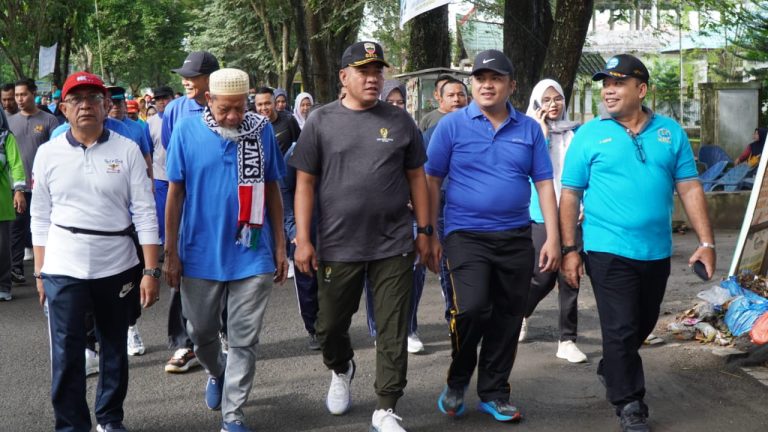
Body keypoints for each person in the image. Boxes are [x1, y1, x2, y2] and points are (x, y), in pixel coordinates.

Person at [559, 54, 716, 432]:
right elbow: (569, 194)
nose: (608, 91)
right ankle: (630, 403)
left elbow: (690, 187)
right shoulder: (589, 135)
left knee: (643, 322)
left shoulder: (670, 132)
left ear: (640, 89)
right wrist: (569, 250)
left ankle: (612, 366)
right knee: (621, 327)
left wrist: (707, 242)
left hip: (656, 251)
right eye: (605, 84)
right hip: (606, 248)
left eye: (617, 83)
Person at [290, 41, 431, 432]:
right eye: (364, 71)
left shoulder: (400, 121)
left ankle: (386, 406)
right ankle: (341, 367)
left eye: (378, 71)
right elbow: (304, 182)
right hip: (338, 244)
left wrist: (426, 230)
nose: (373, 79)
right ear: (343, 77)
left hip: (394, 244)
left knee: (392, 327)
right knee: (330, 326)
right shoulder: (320, 121)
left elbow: (417, 177)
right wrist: (303, 238)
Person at [426, 49, 560, 423]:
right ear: (472, 83)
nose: (487, 84)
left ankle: (495, 391)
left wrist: (552, 237)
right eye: (480, 78)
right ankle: (458, 378)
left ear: (511, 85)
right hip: (465, 235)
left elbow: (545, 184)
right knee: (471, 308)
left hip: (516, 235)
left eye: (496, 78)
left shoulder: (529, 129)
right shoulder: (451, 126)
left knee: (508, 314)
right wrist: (429, 233)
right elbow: (431, 180)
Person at [31, 70, 161, 432]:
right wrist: (40, 272)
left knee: (114, 349)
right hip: (62, 266)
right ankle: (72, 425)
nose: (85, 105)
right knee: (67, 354)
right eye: (77, 99)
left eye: (93, 98)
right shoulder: (48, 154)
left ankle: (109, 419)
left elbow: (146, 212)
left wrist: (151, 271)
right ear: (64, 108)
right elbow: (39, 217)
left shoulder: (128, 150)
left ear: (106, 106)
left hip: (117, 264)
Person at [164, 68, 287, 432]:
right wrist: (170, 251)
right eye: (225, 109)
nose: (234, 117)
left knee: (244, 339)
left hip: (252, 252)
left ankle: (234, 415)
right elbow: (175, 194)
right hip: (199, 253)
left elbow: (273, 189)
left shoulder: (260, 130)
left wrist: (281, 245)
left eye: (240, 107)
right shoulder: (186, 131)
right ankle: (217, 372)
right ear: (208, 101)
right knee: (200, 333)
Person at [519, 78, 587, 364]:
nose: (553, 105)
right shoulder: (527, 131)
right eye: (546, 100)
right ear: (536, 103)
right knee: (544, 275)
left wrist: (584, 203)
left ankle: (567, 339)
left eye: (557, 98)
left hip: (573, 213)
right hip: (541, 213)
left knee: (570, 275)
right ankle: (520, 311)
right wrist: (541, 133)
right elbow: (526, 167)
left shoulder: (576, 133)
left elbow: (587, 170)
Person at [160, 51, 220, 373]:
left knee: (225, 275)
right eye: (183, 75)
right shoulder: (175, 110)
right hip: (187, 209)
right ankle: (183, 344)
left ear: (211, 78)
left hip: (223, 211)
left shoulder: (228, 106)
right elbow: (175, 166)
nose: (185, 81)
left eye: (192, 75)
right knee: (180, 276)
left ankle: (218, 339)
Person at [362, 79, 427, 354]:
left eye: (401, 102)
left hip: (410, 216)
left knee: (415, 271)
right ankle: (379, 328)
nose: (397, 107)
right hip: (375, 217)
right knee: (374, 276)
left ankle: (409, 327)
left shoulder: (410, 129)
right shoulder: (368, 129)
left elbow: (420, 173)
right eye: (392, 102)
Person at [421, 78, 468, 324]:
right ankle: (454, 313)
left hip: (470, 207)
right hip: (441, 206)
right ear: (440, 99)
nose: (457, 99)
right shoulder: (430, 132)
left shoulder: (479, 127)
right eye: (451, 95)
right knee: (448, 262)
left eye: (461, 94)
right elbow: (425, 175)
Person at [7, 78, 59, 284]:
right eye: (17, 95)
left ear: (34, 94)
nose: (19, 99)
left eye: (23, 94)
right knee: (17, 227)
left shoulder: (49, 120)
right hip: (18, 186)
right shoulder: (10, 122)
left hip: (44, 187)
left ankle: (49, 266)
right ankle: (16, 268)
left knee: (46, 226)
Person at [0, 109, 26, 301]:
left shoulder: (6, 137)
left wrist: (19, 190)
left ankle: (3, 286)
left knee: (2, 248)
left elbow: (16, 164)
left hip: (2, 203)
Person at [253, 87, 301, 154]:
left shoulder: (289, 120)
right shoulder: (252, 127)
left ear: (275, 104)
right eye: (260, 104)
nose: (264, 108)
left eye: (267, 103)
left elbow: (301, 145)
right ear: (255, 106)